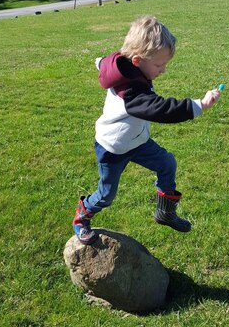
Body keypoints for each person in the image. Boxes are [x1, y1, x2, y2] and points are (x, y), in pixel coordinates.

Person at [73, 15, 221, 244]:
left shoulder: (127, 68)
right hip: (113, 148)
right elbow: (161, 109)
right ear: (137, 60)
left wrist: (100, 61)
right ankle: (81, 217)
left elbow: (105, 61)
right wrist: (199, 105)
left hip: (138, 142)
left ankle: (165, 212)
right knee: (106, 195)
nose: (163, 70)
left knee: (167, 164)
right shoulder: (131, 93)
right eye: (159, 65)